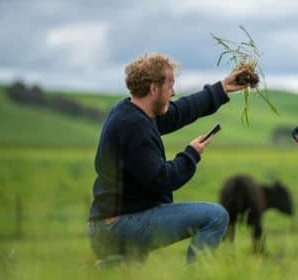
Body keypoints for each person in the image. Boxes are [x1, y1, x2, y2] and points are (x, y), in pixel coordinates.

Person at [87, 53, 251, 264]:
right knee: (216, 216)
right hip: (117, 226)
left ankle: (111, 268)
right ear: (154, 88)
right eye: (170, 85)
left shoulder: (131, 112)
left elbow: (181, 111)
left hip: (110, 223)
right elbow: (161, 180)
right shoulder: (134, 127)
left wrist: (222, 88)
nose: (173, 92)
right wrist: (191, 154)